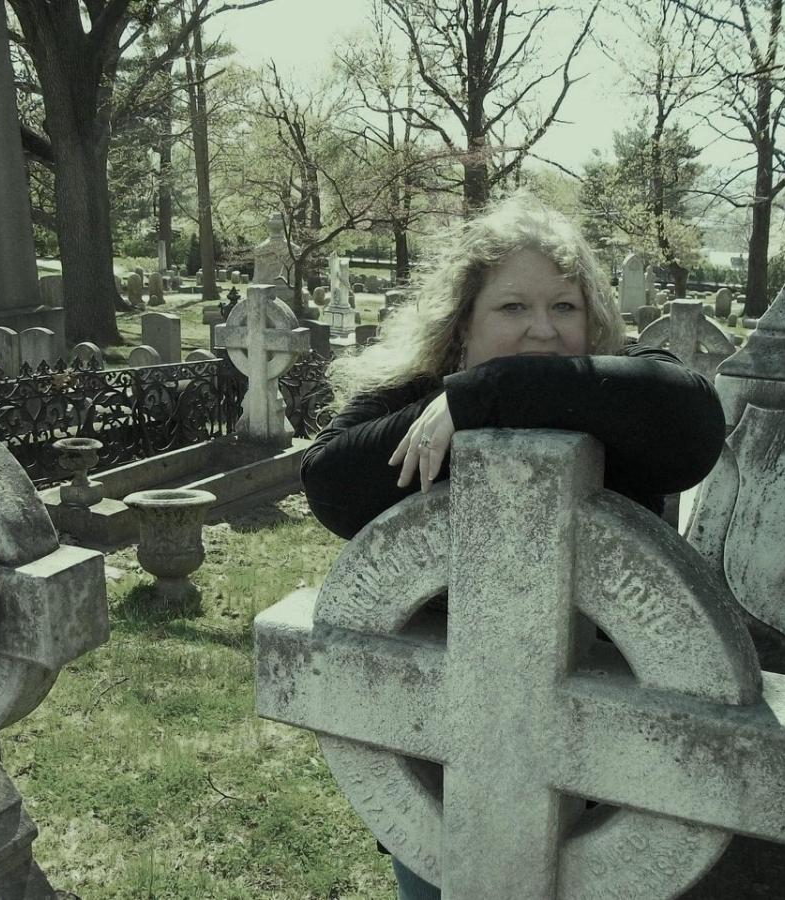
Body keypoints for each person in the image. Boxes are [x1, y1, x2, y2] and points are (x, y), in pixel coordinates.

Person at [299, 193, 726, 899]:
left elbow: (695, 424)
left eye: (565, 307)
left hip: (598, 755)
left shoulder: (617, 389)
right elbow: (329, 485)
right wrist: (456, 401)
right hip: (450, 755)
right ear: (461, 326)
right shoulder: (413, 393)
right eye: (512, 309)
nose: (543, 332)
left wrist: (486, 394)